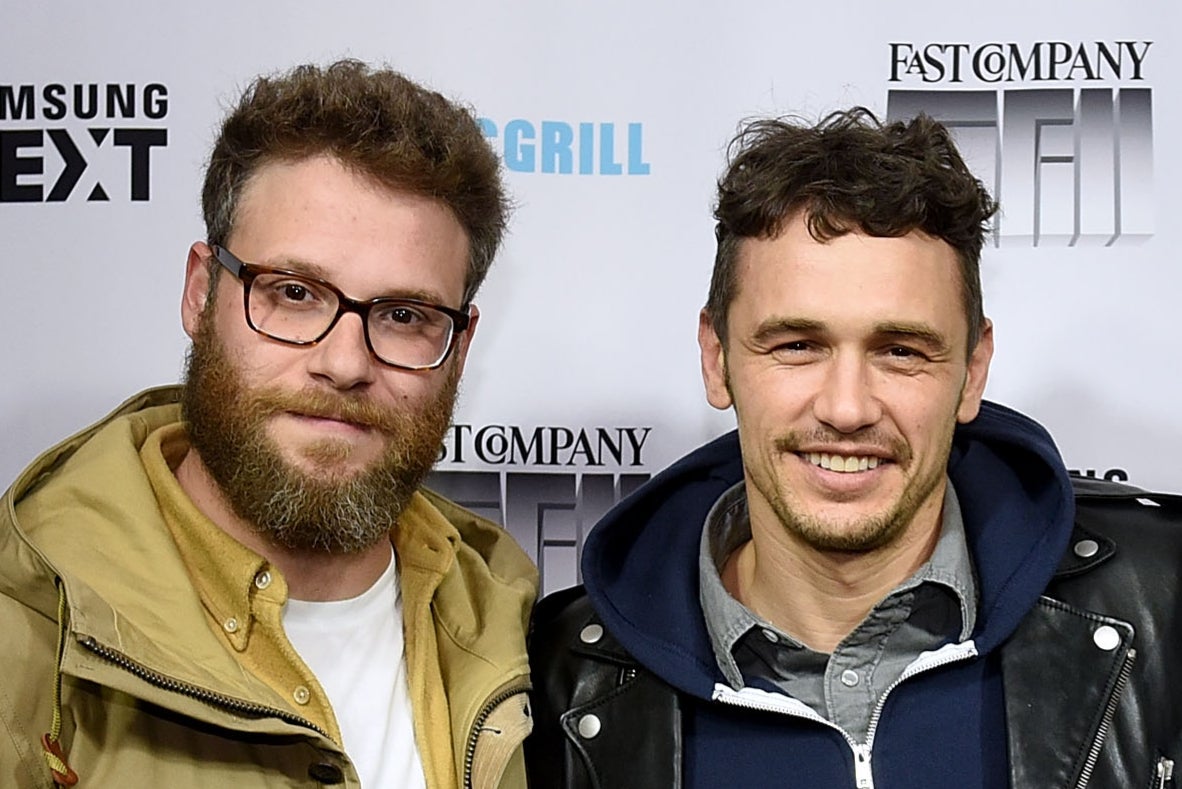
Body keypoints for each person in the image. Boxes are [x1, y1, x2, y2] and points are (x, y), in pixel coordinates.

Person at [525, 108, 1182, 788]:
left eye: (901, 351)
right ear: (716, 357)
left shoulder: (1160, 604)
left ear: (973, 369)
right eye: (796, 346)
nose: (846, 407)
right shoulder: (561, 679)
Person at [0, 60, 537, 789]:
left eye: (404, 315)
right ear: (200, 293)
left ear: (460, 346)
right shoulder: (23, 634)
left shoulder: (523, 632)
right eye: (293, 293)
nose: (344, 362)